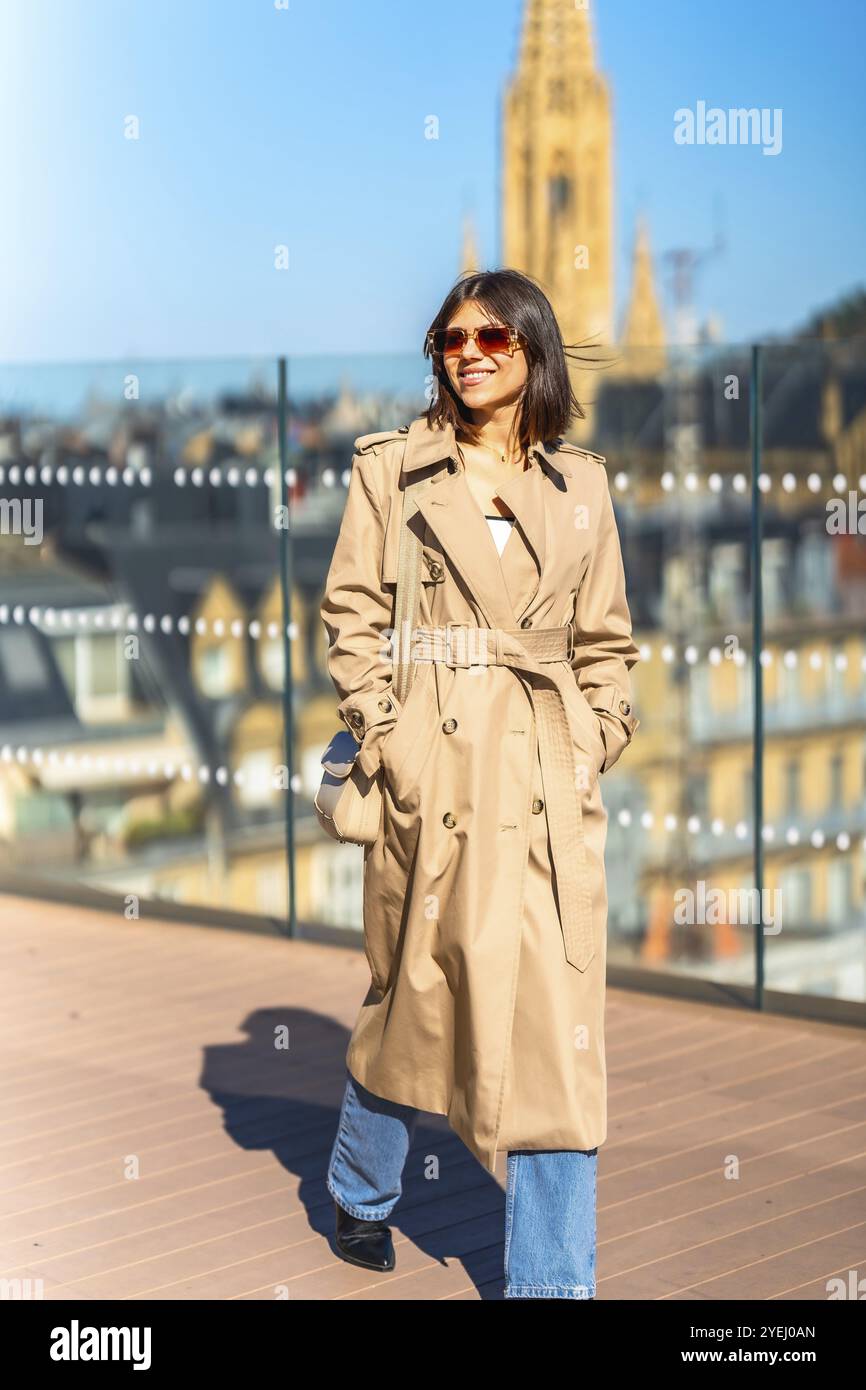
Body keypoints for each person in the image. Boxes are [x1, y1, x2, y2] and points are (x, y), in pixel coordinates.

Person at [319, 268, 641, 1299]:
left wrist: (594, 737)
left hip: (544, 779)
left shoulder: (581, 486)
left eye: (492, 337)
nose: (467, 352)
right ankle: (363, 1188)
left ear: (531, 351)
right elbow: (349, 620)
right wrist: (391, 740)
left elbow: (606, 644)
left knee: (557, 1033)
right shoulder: (392, 472)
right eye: (449, 338)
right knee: (410, 996)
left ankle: (551, 1283)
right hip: (436, 769)